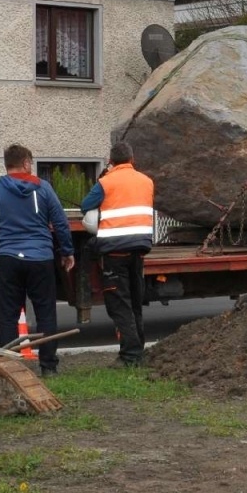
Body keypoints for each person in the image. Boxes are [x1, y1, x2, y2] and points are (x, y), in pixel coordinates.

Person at [0, 144, 74, 375]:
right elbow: (60, 223)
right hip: (40, 257)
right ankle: (48, 366)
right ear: (26, 163)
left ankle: (10, 367)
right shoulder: (44, 189)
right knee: (45, 313)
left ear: (7, 164)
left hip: (9, 258)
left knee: (9, 314)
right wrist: (67, 251)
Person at [80, 141, 156, 367]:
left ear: (111, 162)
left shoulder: (106, 182)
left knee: (120, 305)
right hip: (139, 250)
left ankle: (130, 356)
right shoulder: (146, 181)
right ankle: (138, 351)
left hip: (115, 252)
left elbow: (86, 205)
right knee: (135, 302)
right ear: (132, 159)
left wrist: (104, 178)